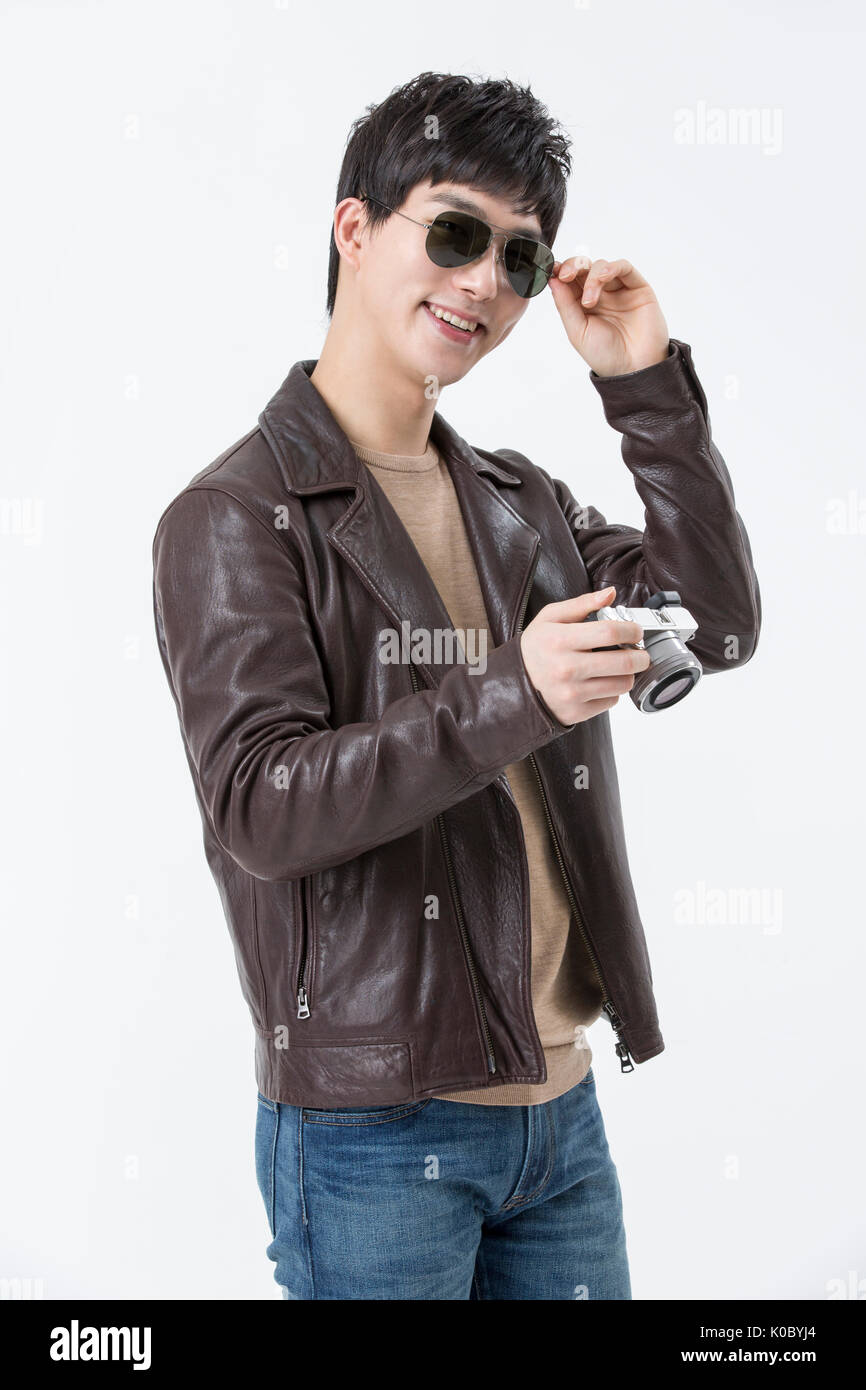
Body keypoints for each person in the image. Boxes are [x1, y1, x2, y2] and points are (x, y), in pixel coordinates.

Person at [151, 71, 761, 1299]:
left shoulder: (517, 500)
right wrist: (513, 694)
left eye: (521, 258)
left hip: (561, 1111)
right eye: (453, 232)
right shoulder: (231, 519)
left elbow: (719, 624)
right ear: (354, 230)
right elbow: (263, 807)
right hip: (373, 1130)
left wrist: (642, 388)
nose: (483, 280)